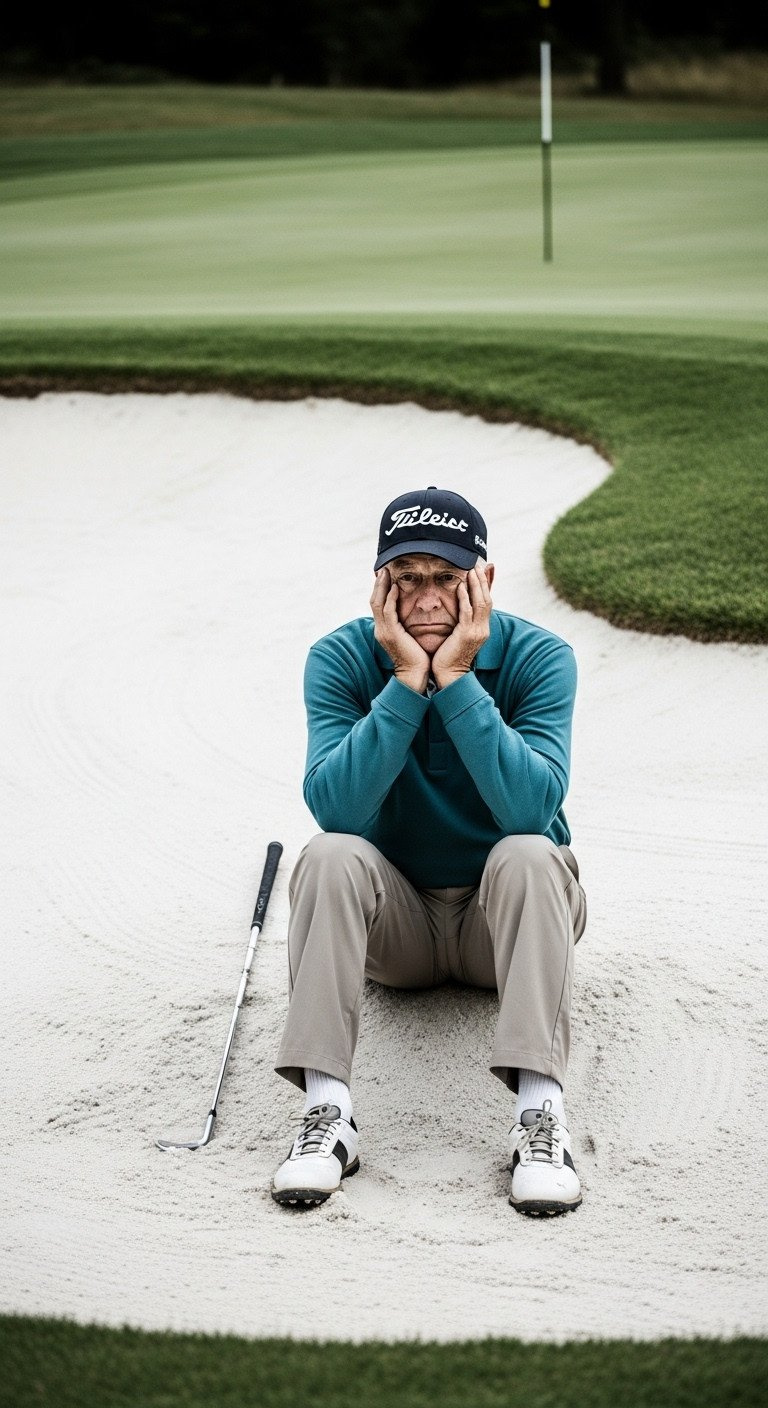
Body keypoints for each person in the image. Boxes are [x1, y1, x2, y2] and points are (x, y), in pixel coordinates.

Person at [271, 486, 587, 1215]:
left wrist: (459, 679)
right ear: (380, 582)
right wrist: (408, 681)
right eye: (406, 576)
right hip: (399, 933)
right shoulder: (342, 658)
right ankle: (328, 1117)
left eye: (445, 577)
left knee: (531, 854)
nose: (425, 597)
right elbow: (338, 807)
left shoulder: (541, 657)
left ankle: (540, 1116)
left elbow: (531, 809)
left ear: (484, 580)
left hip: (500, 931)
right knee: (329, 853)